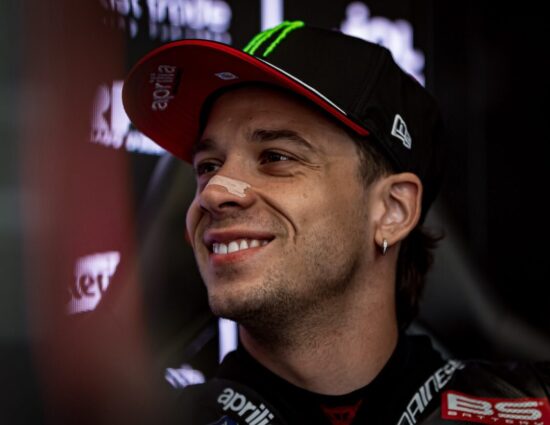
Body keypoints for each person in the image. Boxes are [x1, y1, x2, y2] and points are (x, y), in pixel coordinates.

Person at [123, 21, 550, 425]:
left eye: (275, 157)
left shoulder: (531, 407)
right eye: (208, 166)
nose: (214, 192)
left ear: (393, 210)